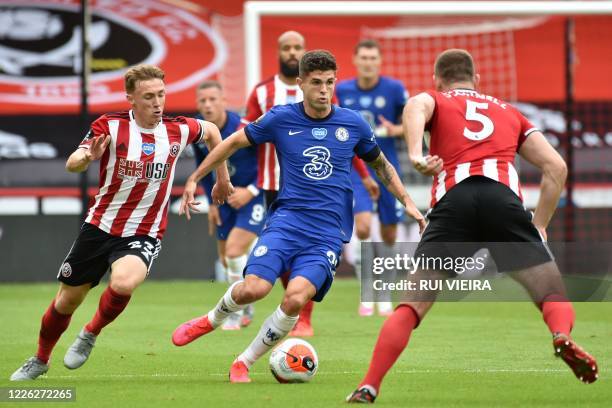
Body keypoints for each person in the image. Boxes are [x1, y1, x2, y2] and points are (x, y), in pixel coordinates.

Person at [346, 49, 598, 403]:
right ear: (476, 80)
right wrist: (539, 225)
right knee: (551, 294)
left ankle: (369, 385)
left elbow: (417, 105)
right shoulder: (510, 111)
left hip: (454, 203)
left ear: (438, 79)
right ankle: (560, 334)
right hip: (503, 203)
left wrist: (416, 154)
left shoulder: (434, 98)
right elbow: (556, 167)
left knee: (412, 304)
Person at [172, 50, 426, 384]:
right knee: (254, 289)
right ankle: (212, 319)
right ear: (300, 83)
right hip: (287, 222)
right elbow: (231, 143)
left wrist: (406, 199)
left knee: (295, 298)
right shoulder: (280, 119)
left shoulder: (352, 124)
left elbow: (380, 165)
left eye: (330, 82)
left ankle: (243, 362)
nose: (324, 89)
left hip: (327, 234)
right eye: (317, 82)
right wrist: (197, 178)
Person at [10, 65, 231, 381]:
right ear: (131, 98)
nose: (157, 103)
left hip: (144, 231)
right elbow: (73, 161)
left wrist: (220, 180)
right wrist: (86, 158)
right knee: (66, 301)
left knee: (124, 282)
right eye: (148, 97)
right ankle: (40, 359)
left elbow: (212, 132)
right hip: (100, 226)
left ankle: (90, 332)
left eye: (161, 95)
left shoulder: (177, 130)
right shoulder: (110, 127)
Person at [245, 30, 377, 336]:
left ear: (304, 53)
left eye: (297, 47)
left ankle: (303, 315)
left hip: (316, 187)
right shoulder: (262, 92)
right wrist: (243, 183)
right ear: (279, 52)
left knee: (309, 252)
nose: (292, 52)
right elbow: (245, 139)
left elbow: (343, 139)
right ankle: (284, 307)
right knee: (283, 252)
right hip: (272, 183)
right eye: (287, 47)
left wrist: (366, 176)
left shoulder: (325, 92)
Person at [336, 40, 408, 317]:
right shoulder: (342, 90)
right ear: (355, 60)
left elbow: (411, 125)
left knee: (389, 232)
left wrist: (395, 129)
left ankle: (385, 294)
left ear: (379, 61)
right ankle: (367, 293)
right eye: (363, 57)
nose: (368, 62)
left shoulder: (394, 89)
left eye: (372, 57)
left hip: (387, 169)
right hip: (356, 169)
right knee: (363, 227)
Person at [193, 80, 264, 330]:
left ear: (224, 101)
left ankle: (239, 309)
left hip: (253, 197)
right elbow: (203, 166)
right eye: (203, 100)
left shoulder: (245, 128)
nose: (208, 104)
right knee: (226, 259)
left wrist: (252, 190)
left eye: (213, 99)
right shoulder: (200, 132)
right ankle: (246, 302)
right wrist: (211, 204)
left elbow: (271, 160)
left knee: (234, 251)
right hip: (223, 200)